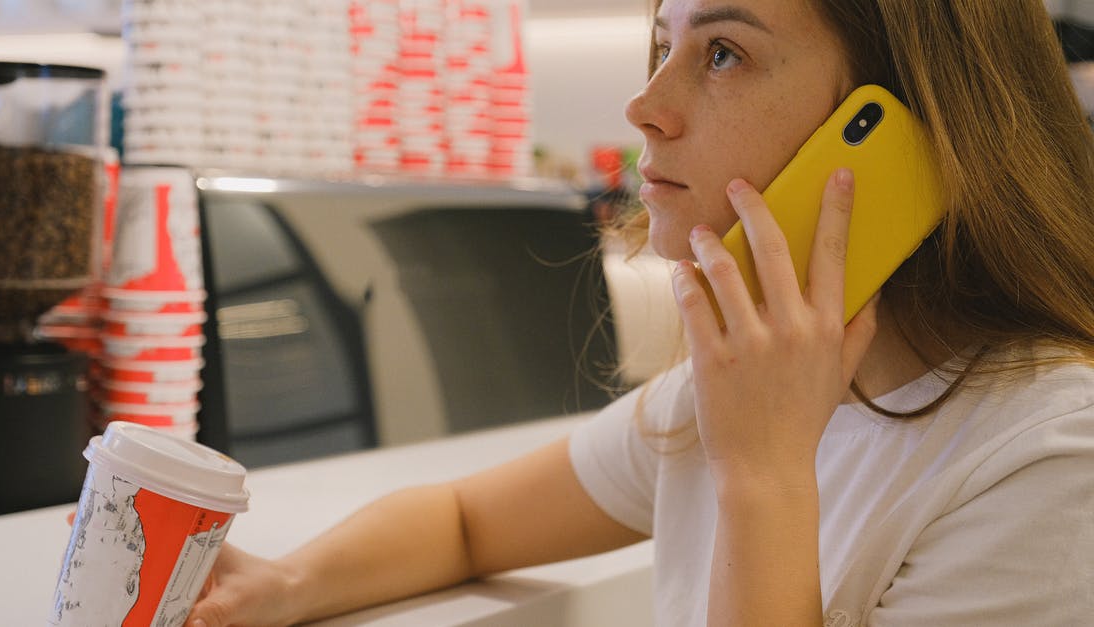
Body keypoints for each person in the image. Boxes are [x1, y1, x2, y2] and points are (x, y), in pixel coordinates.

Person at [185, 1, 1094, 625]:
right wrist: (283, 584)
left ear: (899, 129)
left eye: (723, 53)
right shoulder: (741, 382)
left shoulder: (1050, 461)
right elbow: (468, 517)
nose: (645, 105)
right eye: (665, 45)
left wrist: (764, 476)